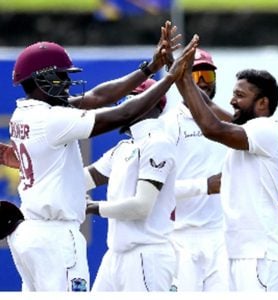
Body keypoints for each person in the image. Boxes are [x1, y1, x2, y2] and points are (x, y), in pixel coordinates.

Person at [6, 22, 196, 291]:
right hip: (55, 237)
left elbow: (97, 97)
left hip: (30, 234)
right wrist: (169, 78)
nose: (69, 82)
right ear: (41, 79)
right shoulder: (52, 119)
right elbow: (123, 114)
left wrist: (150, 68)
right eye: (61, 76)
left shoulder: (26, 112)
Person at [175, 43, 278, 291]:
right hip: (243, 251)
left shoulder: (266, 129)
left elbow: (212, 127)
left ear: (262, 104)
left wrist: (184, 79)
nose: (231, 101)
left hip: (261, 254)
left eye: (240, 96)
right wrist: (178, 76)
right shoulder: (252, 129)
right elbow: (212, 109)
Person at [84, 78, 177, 291]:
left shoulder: (158, 143)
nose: (123, 107)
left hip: (147, 256)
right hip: (115, 256)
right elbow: (81, 179)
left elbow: (141, 207)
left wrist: (94, 207)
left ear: (149, 102)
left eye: (129, 99)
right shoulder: (124, 147)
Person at [163, 48, 230, 291]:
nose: (203, 83)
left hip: (222, 237)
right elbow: (158, 189)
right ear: (184, 80)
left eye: (208, 76)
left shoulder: (226, 124)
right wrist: (204, 186)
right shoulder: (168, 125)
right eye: (195, 76)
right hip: (181, 236)